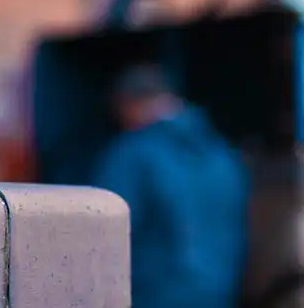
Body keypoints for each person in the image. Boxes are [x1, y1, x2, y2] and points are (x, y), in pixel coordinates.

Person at [93, 65, 249, 308]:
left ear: (130, 104)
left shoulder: (132, 154)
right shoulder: (223, 155)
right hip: (218, 294)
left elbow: (102, 237)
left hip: (152, 297)